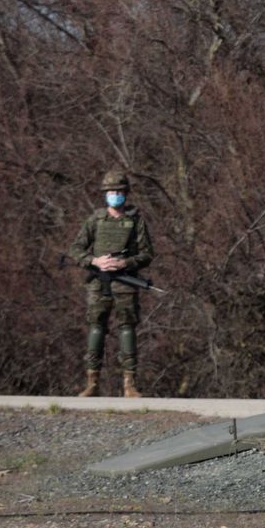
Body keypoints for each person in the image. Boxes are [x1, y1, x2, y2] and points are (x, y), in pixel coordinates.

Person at [66, 169, 155, 397]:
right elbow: (75, 249)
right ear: (105, 194)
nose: (115, 195)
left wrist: (124, 263)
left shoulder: (135, 221)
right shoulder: (95, 220)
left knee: (127, 328)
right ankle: (92, 383)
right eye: (111, 191)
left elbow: (147, 254)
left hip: (125, 283)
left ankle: (129, 384)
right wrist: (94, 260)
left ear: (126, 194)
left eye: (119, 191)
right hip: (98, 282)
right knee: (96, 328)